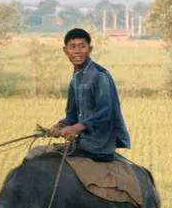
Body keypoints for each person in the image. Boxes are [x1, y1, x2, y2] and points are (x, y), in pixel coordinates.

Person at [49, 28, 130, 161]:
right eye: (73, 47)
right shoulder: (75, 78)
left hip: (98, 146)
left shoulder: (99, 75)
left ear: (90, 49)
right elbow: (72, 115)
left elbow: (106, 112)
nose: (77, 51)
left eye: (82, 46)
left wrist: (76, 128)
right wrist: (60, 125)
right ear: (65, 50)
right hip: (82, 143)